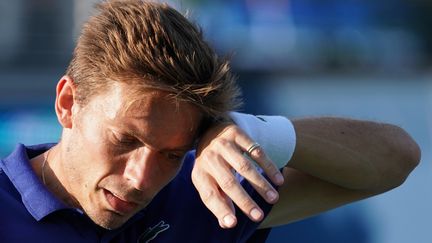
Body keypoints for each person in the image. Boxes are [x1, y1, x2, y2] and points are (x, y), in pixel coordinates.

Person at [0, 0, 420, 242]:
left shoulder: (198, 197)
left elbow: (397, 157)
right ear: (68, 103)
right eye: (125, 140)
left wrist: (250, 132)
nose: (141, 179)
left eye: (170, 152)